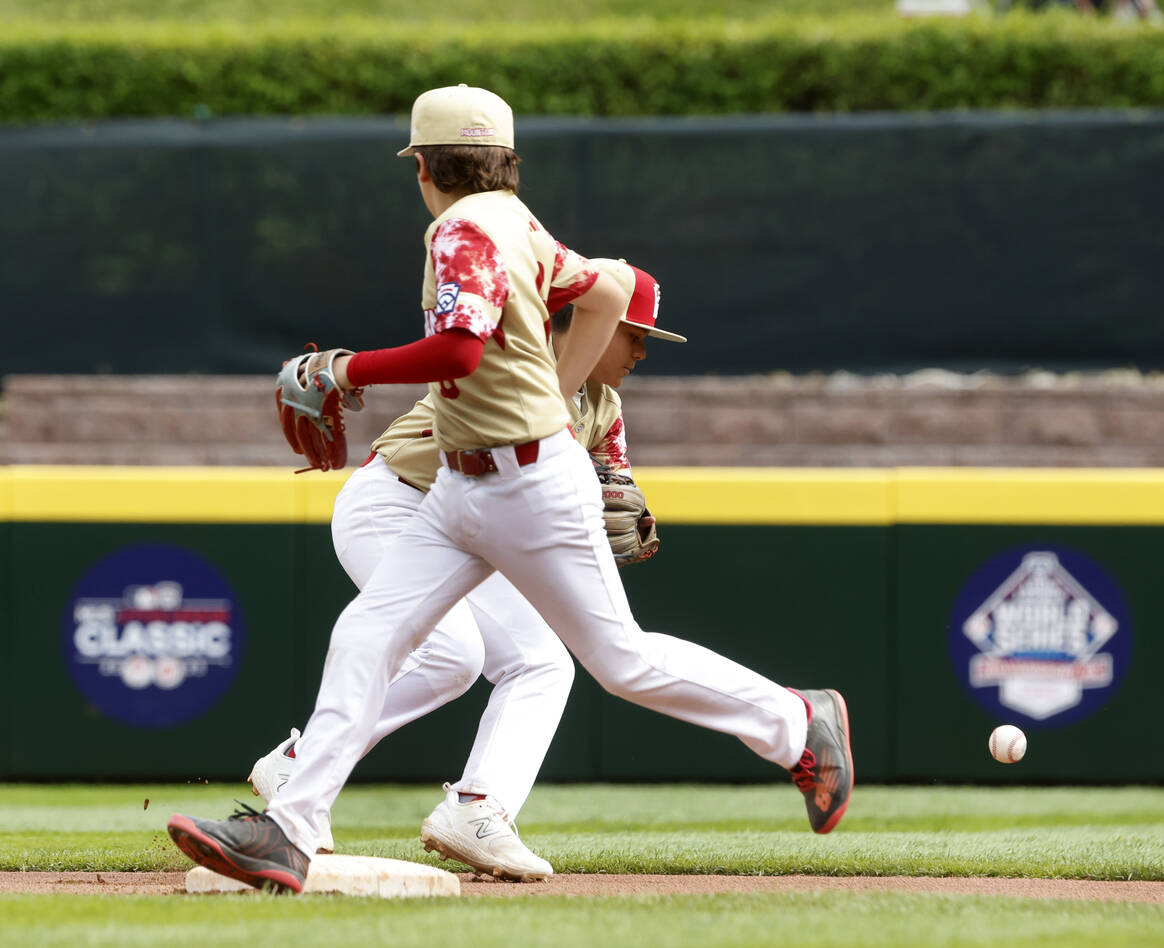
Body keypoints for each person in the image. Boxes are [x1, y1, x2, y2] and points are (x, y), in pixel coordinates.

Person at [168, 84, 853, 894]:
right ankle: (290, 830)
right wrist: (559, 391)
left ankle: (796, 721)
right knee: (369, 634)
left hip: (526, 485)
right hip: (461, 490)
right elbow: (604, 286)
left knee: (618, 661)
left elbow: (459, 351)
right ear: (505, 163)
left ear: (422, 166)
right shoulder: (518, 222)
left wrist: (343, 367)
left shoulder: (461, 228)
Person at [248, 262, 682, 881]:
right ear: (580, 322)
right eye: (631, 331)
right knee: (451, 654)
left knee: (543, 662)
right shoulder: (513, 361)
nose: (641, 349)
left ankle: (478, 808)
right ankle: (306, 761)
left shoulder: (603, 408)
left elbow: (617, 485)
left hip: (469, 536)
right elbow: (448, 357)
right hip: (394, 505)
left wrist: (618, 501)